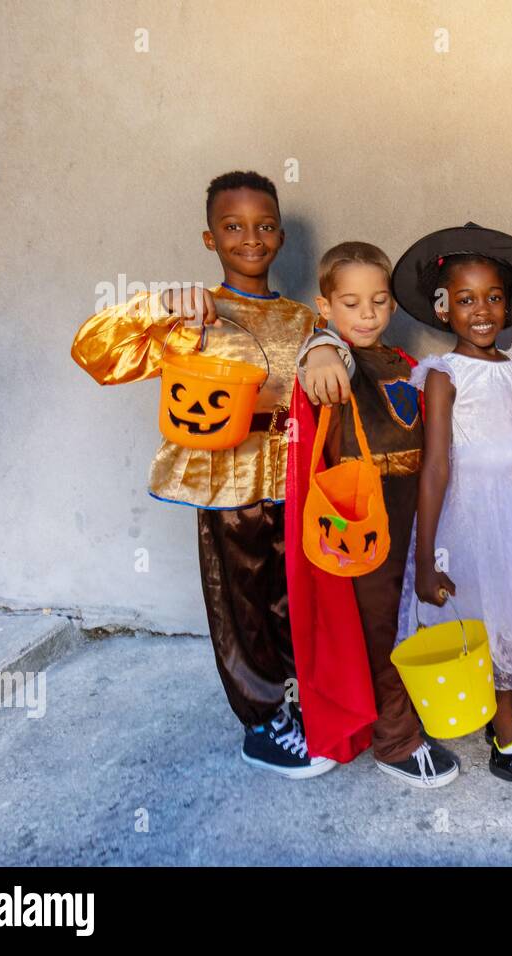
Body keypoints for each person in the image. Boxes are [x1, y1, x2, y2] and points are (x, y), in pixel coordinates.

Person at [71, 170, 333, 778]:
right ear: (210, 238)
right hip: (227, 483)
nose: (251, 237)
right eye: (233, 226)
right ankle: (263, 722)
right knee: (240, 603)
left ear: (282, 235)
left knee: (293, 599)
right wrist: (158, 304)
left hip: (294, 482)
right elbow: (95, 353)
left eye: (265, 225)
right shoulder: (192, 315)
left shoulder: (300, 319)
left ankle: (300, 699)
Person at [289, 241, 459, 788]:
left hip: (409, 509)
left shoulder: (402, 363)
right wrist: (317, 348)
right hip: (362, 520)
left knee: (407, 619)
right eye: (351, 303)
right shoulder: (333, 357)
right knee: (378, 627)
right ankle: (394, 740)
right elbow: (320, 362)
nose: (367, 314)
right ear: (325, 306)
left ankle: (403, 714)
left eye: (379, 301)